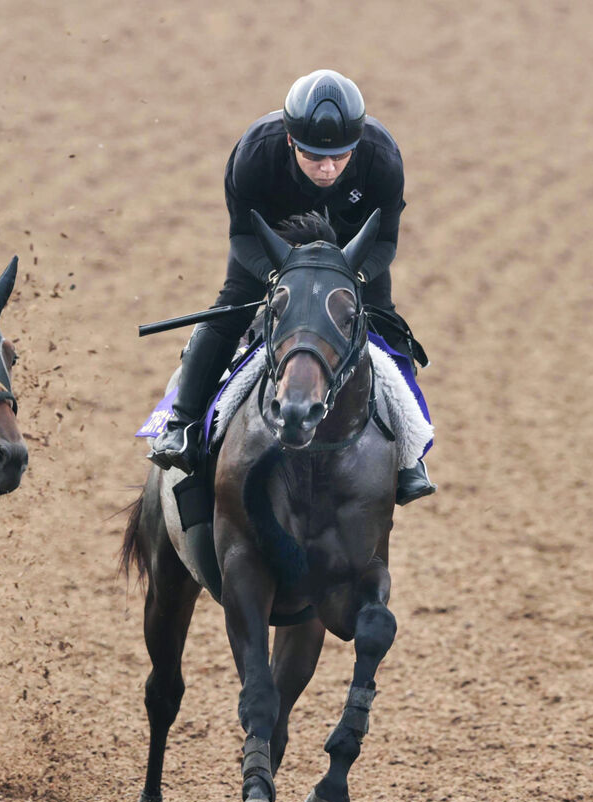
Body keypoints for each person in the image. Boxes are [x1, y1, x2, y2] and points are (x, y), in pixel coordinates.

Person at [148, 69, 435, 504]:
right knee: (229, 312)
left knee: (389, 328)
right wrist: (277, 277)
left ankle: (410, 456)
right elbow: (243, 237)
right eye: (314, 157)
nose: (328, 168)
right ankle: (180, 426)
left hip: (351, 255)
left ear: (356, 146)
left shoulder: (382, 158)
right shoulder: (254, 154)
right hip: (273, 250)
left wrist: (352, 278)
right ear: (289, 141)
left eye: (340, 157)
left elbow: (386, 242)